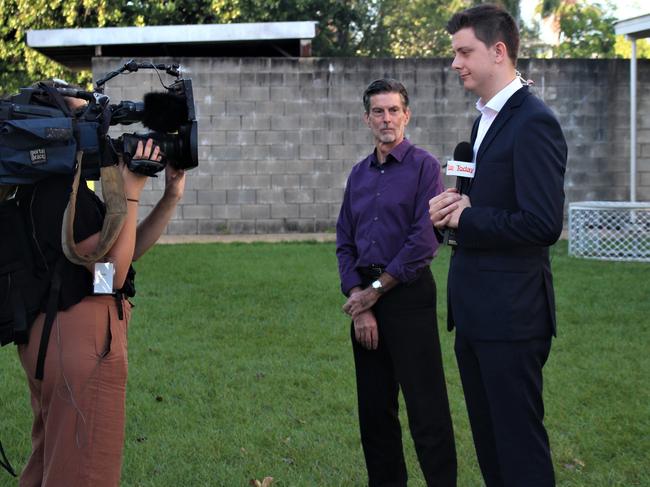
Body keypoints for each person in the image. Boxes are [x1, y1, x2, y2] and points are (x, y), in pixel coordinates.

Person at [16, 88, 186, 487]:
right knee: (86, 470)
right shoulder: (59, 195)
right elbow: (108, 269)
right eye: (87, 121)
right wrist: (130, 189)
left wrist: (169, 197)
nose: (99, 131)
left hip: (54, 340)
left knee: (53, 463)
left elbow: (118, 265)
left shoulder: (46, 187)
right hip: (82, 345)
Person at [429, 5, 567, 487]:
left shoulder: (533, 122)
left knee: (518, 450)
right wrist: (454, 208)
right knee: (490, 447)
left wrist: (469, 217)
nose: (456, 63)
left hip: (512, 317)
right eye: (455, 54)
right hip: (474, 314)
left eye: (464, 52)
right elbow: (486, 206)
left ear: (499, 51)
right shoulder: (484, 120)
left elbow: (544, 222)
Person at [336, 78, 456, 487]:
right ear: (366, 118)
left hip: (408, 295)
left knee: (427, 409)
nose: (386, 119)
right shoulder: (358, 174)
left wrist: (375, 292)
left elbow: (425, 238)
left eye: (393, 111)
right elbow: (344, 240)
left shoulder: (425, 167)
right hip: (366, 301)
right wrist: (359, 298)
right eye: (377, 111)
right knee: (374, 411)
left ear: (406, 115)